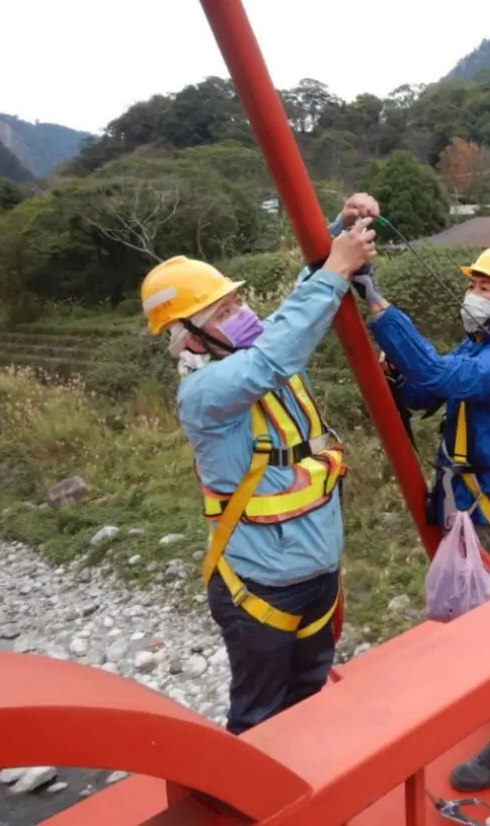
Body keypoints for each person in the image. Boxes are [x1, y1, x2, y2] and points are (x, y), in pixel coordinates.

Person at [139, 202, 377, 735]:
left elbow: (293, 318)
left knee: (310, 700)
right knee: (260, 718)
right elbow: (275, 355)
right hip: (262, 588)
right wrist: (336, 268)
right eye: (223, 312)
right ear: (189, 338)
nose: (242, 314)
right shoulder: (206, 392)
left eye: (237, 301)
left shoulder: (251, 354)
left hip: (318, 573)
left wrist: (337, 235)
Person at [349, 239, 490, 792]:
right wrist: (400, 374)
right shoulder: (479, 346)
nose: (473, 296)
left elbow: (436, 376)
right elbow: (426, 392)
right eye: (473, 285)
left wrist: (379, 307)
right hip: (476, 506)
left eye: (485, 288)